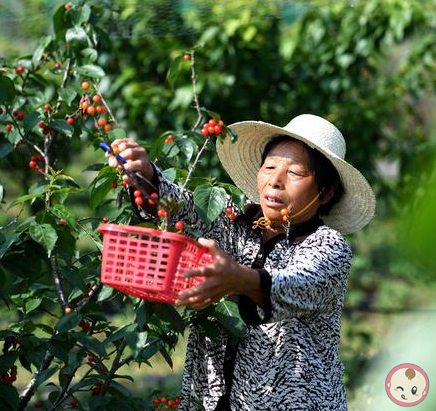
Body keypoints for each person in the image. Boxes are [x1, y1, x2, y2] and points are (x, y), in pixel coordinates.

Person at [106, 114, 375, 411]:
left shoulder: (328, 246)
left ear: (325, 193)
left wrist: (239, 278)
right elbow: (185, 209)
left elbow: (297, 283)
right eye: (270, 167)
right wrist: (146, 176)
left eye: (295, 173)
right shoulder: (237, 222)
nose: (275, 179)